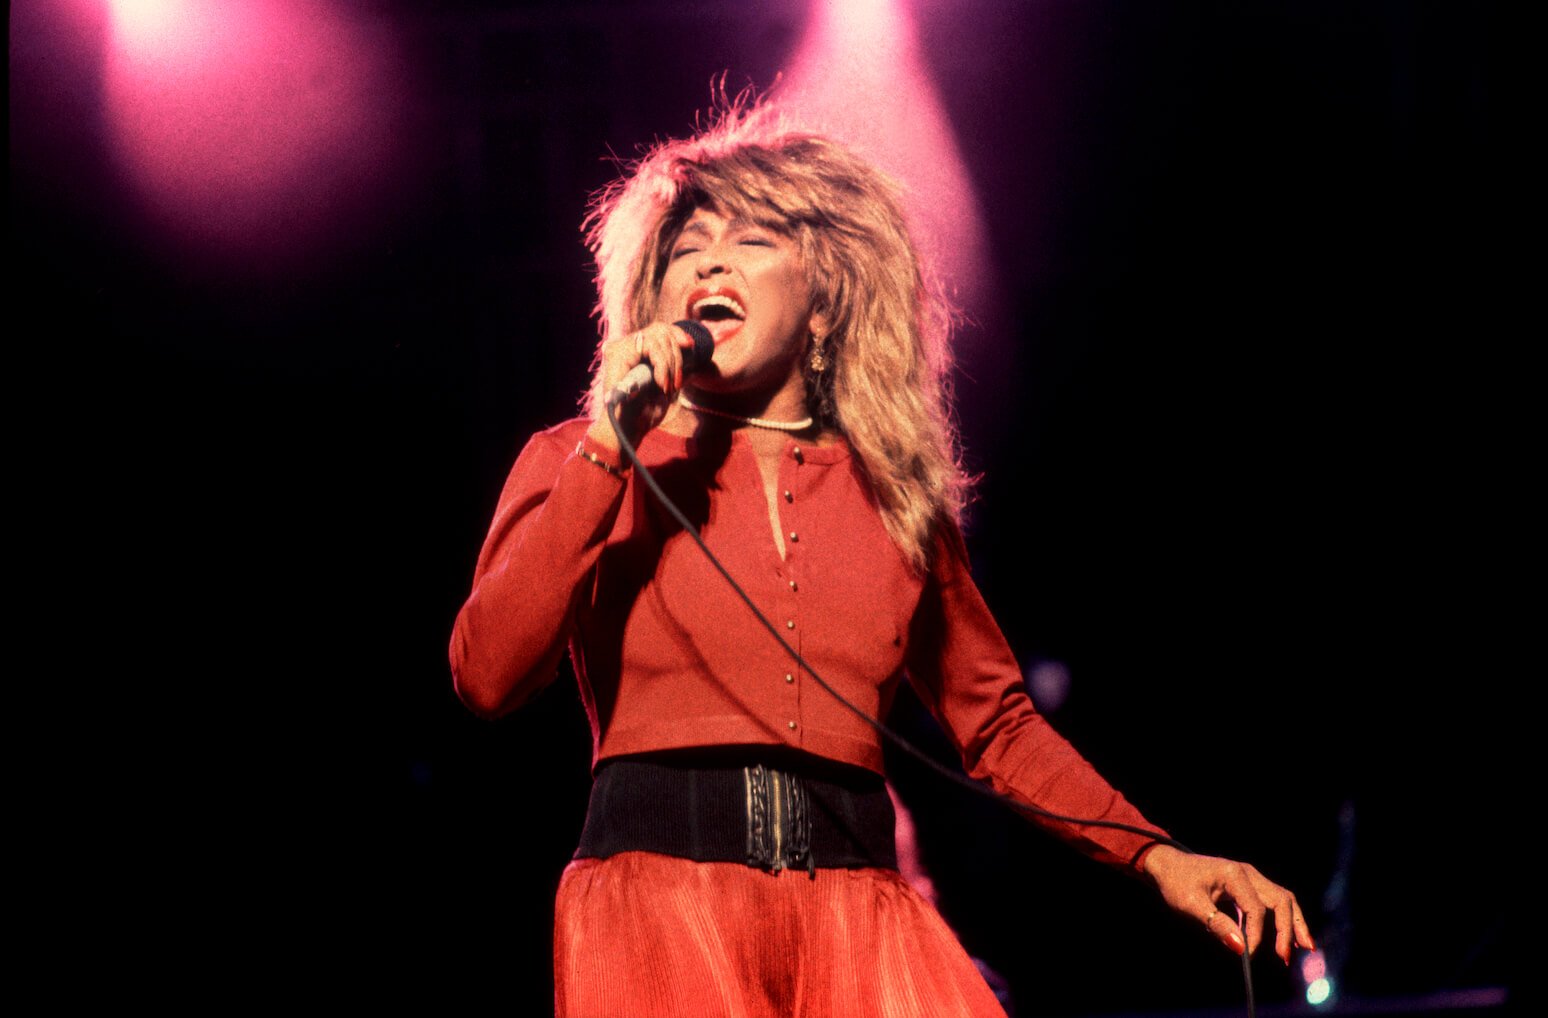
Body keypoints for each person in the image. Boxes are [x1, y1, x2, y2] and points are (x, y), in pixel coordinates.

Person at [448, 102, 1313, 1016]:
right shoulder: (579, 458)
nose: (707, 261)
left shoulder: (891, 495)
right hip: (662, 911)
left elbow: (998, 725)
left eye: (749, 241)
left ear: (825, 301)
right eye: (684, 248)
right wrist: (610, 450)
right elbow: (487, 674)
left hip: (862, 918)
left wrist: (1157, 854)